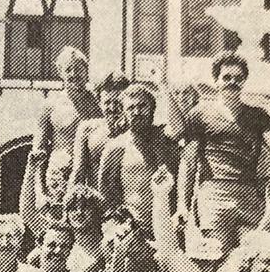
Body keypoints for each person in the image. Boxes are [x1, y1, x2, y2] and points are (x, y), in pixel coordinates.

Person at [177, 52, 270, 265]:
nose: (233, 82)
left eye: (238, 78)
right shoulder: (199, 114)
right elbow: (188, 162)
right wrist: (182, 205)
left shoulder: (258, 115)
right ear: (216, 81)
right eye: (227, 77)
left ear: (244, 81)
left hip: (249, 194)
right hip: (214, 195)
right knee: (214, 259)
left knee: (255, 258)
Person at [99, 84, 180, 223]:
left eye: (142, 106)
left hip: (164, 226)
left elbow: (180, 129)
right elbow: (105, 196)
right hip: (129, 228)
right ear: (123, 112)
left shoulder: (165, 143)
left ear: (152, 109)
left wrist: (164, 85)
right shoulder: (115, 147)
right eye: (131, 108)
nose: (137, 112)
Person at [33, 46, 100, 196]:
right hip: (59, 176)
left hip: (89, 177)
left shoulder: (98, 104)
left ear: (86, 71)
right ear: (60, 72)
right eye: (69, 69)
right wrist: (39, 191)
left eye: (79, 69)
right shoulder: (50, 105)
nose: (74, 74)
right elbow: (39, 150)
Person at [70, 70, 130, 188]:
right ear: (99, 102)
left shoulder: (132, 132)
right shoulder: (87, 129)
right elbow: (78, 172)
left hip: (124, 202)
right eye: (107, 102)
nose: (112, 108)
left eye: (118, 102)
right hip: (94, 200)